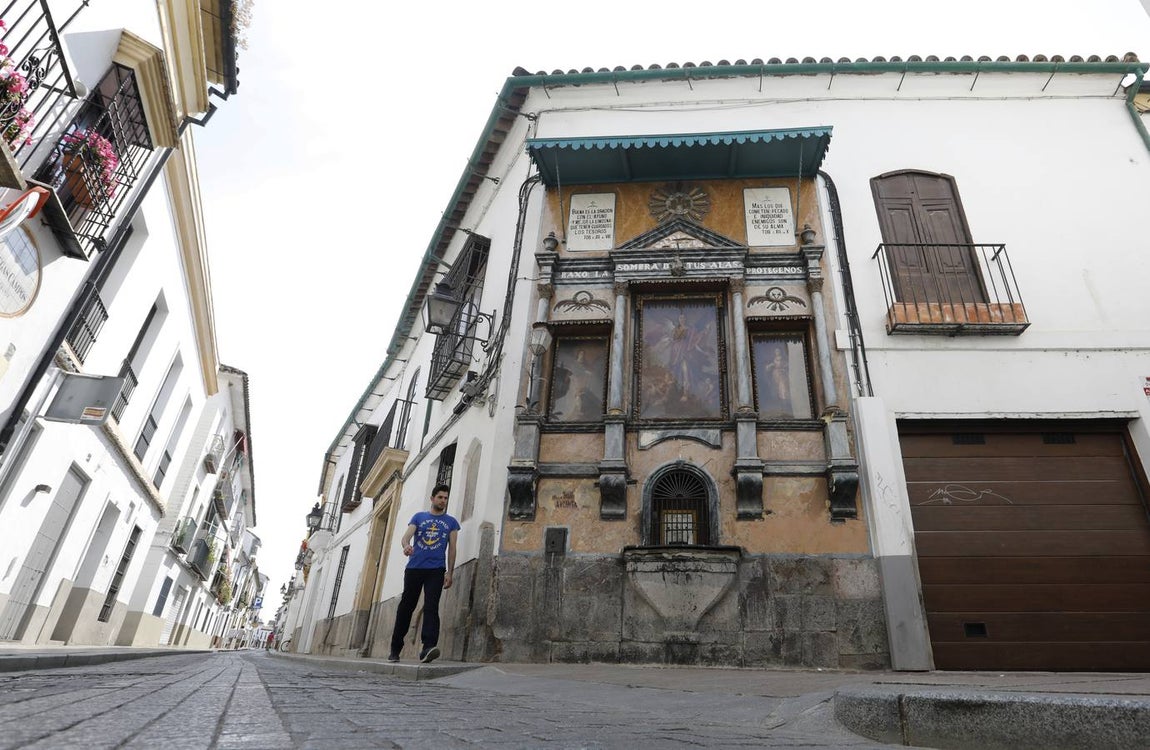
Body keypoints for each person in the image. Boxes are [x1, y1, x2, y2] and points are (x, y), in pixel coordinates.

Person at [388, 484, 459, 664]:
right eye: (440, 497)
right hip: (414, 568)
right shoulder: (419, 517)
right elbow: (406, 537)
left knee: (431, 606)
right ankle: (395, 648)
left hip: (436, 569)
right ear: (432, 498)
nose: (443, 501)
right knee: (406, 606)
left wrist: (450, 572)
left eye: (445, 498)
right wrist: (406, 546)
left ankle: (428, 647)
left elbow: (452, 549)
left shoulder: (451, 522)